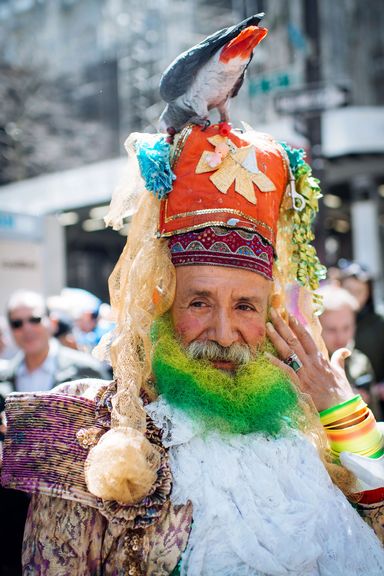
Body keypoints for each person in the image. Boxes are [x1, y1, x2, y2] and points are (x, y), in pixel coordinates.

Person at [2, 16, 384, 576]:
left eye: (246, 306)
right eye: (200, 302)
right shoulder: (97, 433)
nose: (225, 334)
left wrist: (343, 413)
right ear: (162, 304)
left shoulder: (313, 426)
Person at [0, 289, 110, 576]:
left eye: (33, 319)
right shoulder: (3, 381)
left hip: (73, 509)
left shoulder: (84, 369)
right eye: (17, 323)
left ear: (49, 321)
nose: (26, 328)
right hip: (14, 510)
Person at [319, 285, 382, 419]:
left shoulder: (360, 361)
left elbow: (375, 417)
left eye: (346, 327)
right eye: (331, 329)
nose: (340, 337)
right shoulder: (311, 365)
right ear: (317, 326)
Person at [339, 260, 384, 384]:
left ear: (367, 294)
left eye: (359, 292)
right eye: (348, 290)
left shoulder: (380, 322)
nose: (352, 297)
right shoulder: (326, 320)